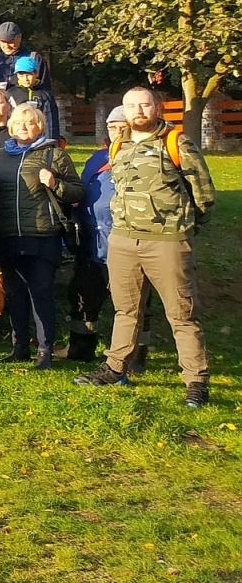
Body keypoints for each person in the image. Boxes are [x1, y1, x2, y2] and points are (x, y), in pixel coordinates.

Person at [75, 87, 216, 407]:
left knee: (182, 314)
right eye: (130, 106)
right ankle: (115, 367)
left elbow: (204, 194)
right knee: (125, 310)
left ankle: (196, 379)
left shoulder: (176, 142)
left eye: (144, 104)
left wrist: (185, 228)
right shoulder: (119, 145)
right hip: (123, 241)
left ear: (157, 108)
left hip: (166, 242)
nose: (138, 110)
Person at [0, 102, 83, 368]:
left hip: (42, 235)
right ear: (10, 126)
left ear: (40, 126)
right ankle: (19, 346)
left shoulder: (54, 155)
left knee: (40, 293)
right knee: (15, 293)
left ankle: (45, 350)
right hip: (7, 235)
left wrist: (55, 184)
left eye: (29, 122)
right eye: (18, 123)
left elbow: (78, 192)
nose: (23, 127)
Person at [68, 106, 134, 366]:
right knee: (84, 297)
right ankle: (81, 350)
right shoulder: (97, 158)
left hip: (125, 243)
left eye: (121, 127)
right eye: (112, 127)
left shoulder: (140, 157)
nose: (116, 132)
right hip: (91, 244)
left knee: (131, 302)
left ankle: (134, 355)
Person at [0, 21, 51, 91]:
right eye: (3, 42)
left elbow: (45, 89)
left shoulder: (34, 58)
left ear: (19, 37)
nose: (6, 46)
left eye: (10, 42)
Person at [5, 56, 59, 140]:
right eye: (21, 75)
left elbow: (51, 121)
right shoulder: (11, 93)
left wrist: (52, 140)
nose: (25, 79)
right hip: (18, 138)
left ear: (36, 73)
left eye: (28, 74)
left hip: (41, 139)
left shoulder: (45, 95)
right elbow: (7, 119)